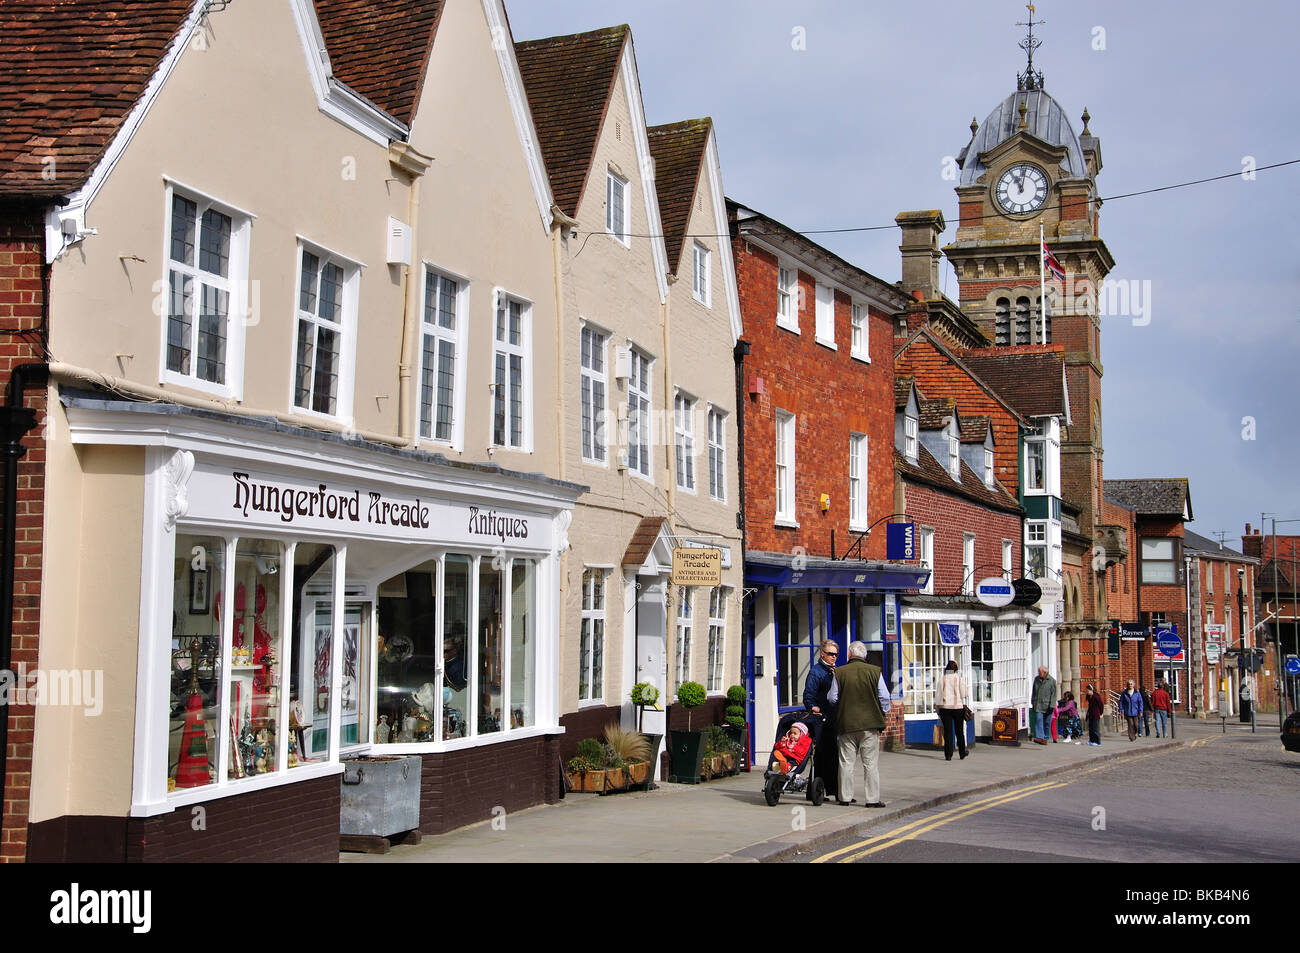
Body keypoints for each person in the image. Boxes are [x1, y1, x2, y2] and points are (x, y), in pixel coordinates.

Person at [827, 641, 891, 808]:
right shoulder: (875, 672)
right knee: (870, 763)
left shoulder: (839, 672)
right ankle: (872, 800)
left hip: (846, 724)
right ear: (865, 656)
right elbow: (884, 696)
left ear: (849, 654)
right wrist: (883, 711)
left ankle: (845, 797)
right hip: (869, 725)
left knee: (846, 763)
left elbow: (832, 698)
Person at [802, 639, 839, 798]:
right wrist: (813, 707)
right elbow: (808, 696)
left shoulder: (834, 671)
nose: (834, 657)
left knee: (832, 757)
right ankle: (815, 792)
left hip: (833, 720)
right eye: (831, 654)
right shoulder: (816, 672)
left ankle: (832, 790)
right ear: (823, 654)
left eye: (836, 654)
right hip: (821, 721)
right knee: (821, 756)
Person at [935, 659, 969, 761]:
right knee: (959, 731)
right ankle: (962, 753)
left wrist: (938, 710)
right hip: (958, 708)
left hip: (945, 708)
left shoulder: (942, 680)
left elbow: (938, 697)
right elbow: (964, 694)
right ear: (956, 669)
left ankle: (948, 755)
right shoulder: (959, 679)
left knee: (948, 732)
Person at [1030, 666, 1057, 746]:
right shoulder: (1036, 679)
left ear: (1045, 672)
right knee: (1038, 720)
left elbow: (1054, 694)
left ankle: (1045, 738)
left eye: (1040, 672)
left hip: (1048, 705)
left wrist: (1052, 705)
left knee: (1047, 723)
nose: (1038, 673)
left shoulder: (1051, 681)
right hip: (1038, 704)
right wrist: (1033, 701)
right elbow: (1034, 692)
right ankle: (1040, 737)